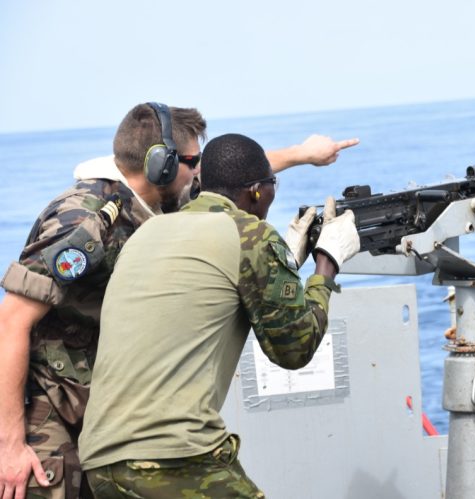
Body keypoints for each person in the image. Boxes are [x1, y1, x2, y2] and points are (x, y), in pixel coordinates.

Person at [0, 103, 358, 499]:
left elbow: (231, 179)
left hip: (106, 408)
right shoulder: (84, 220)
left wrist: (301, 155)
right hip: (47, 407)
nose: (199, 174)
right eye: (193, 163)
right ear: (162, 166)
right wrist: (10, 445)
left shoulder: (158, 208)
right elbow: (11, 321)